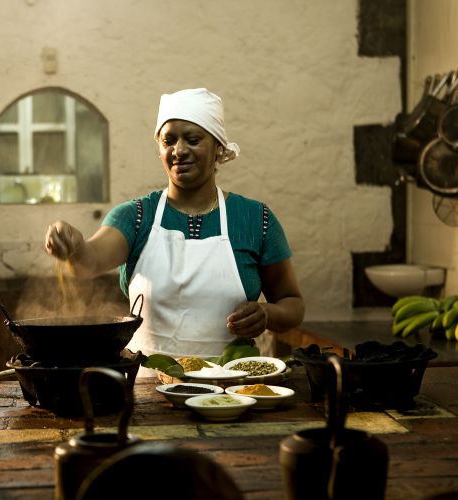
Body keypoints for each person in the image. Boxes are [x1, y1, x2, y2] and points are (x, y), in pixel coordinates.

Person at [44, 88, 304, 363]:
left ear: (218, 146)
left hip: (231, 388)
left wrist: (267, 314)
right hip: (147, 388)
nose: (179, 151)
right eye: (169, 141)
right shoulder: (136, 217)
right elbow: (89, 262)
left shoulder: (256, 219)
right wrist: (72, 245)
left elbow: (292, 304)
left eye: (192, 139)